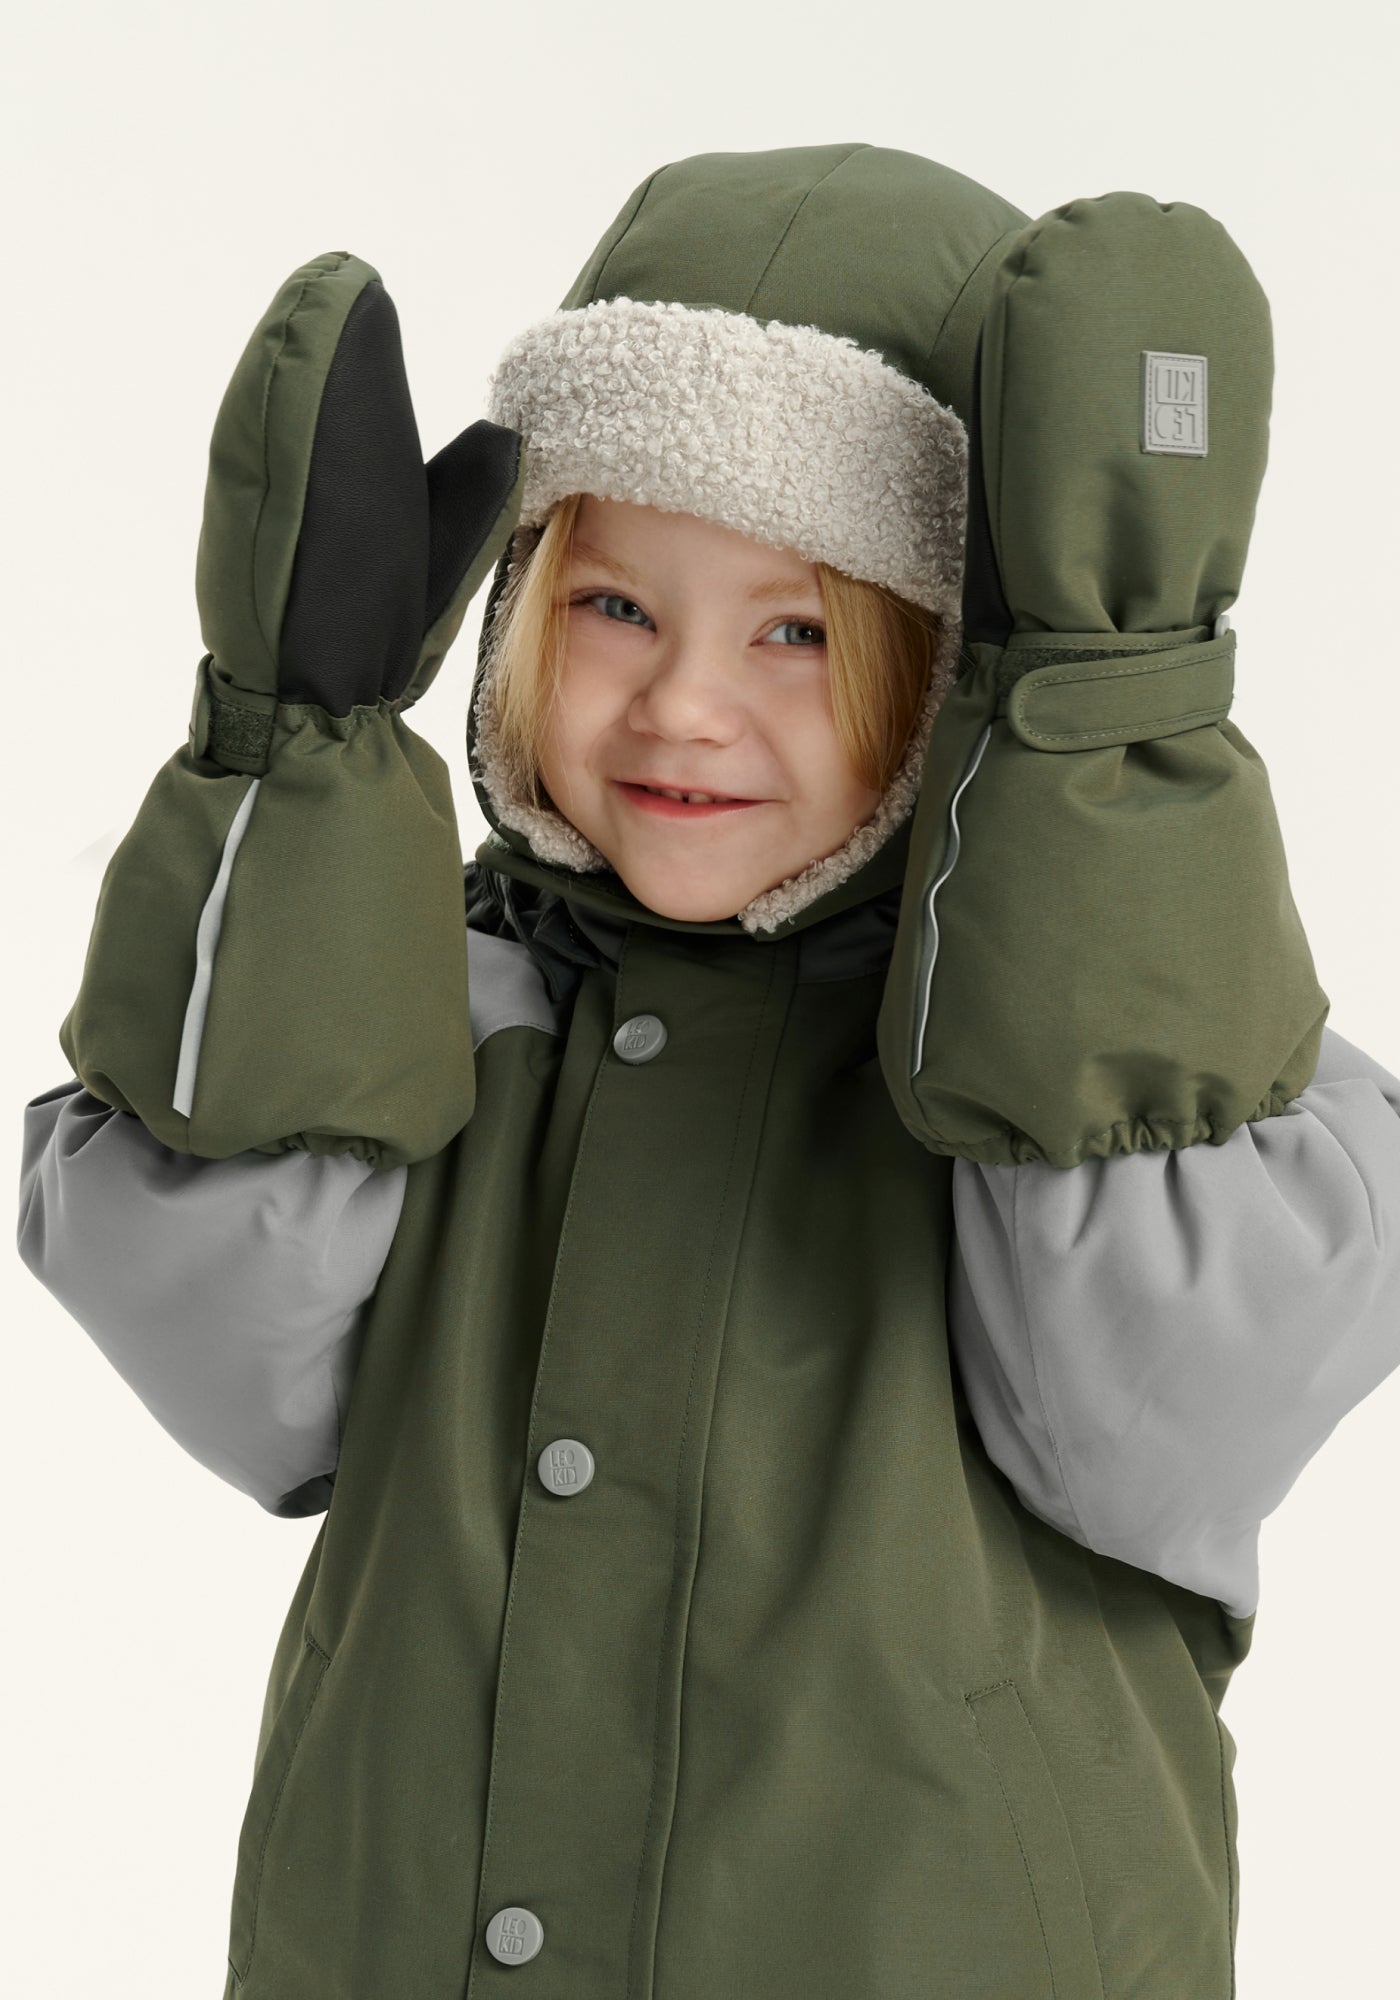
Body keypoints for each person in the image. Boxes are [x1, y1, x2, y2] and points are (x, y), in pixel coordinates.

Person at [17, 142, 1400, 1999]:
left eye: (800, 631)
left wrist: (1101, 744)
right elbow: (242, 1369)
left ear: (962, 664)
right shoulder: (433, 997)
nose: (682, 705)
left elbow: (1158, 1411)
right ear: (511, 606)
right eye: (617, 608)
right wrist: (294, 773)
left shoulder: (1126, 1070)